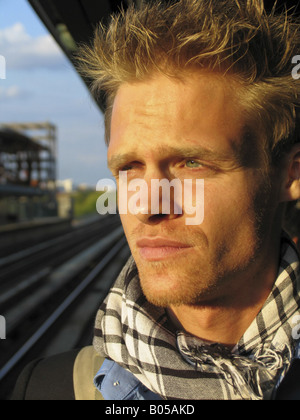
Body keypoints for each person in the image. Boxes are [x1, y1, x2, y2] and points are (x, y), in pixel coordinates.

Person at [13, 0, 300, 400]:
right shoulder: (50, 388)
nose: (148, 207)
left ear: (291, 173)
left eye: (192, 163)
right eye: (129, 167)